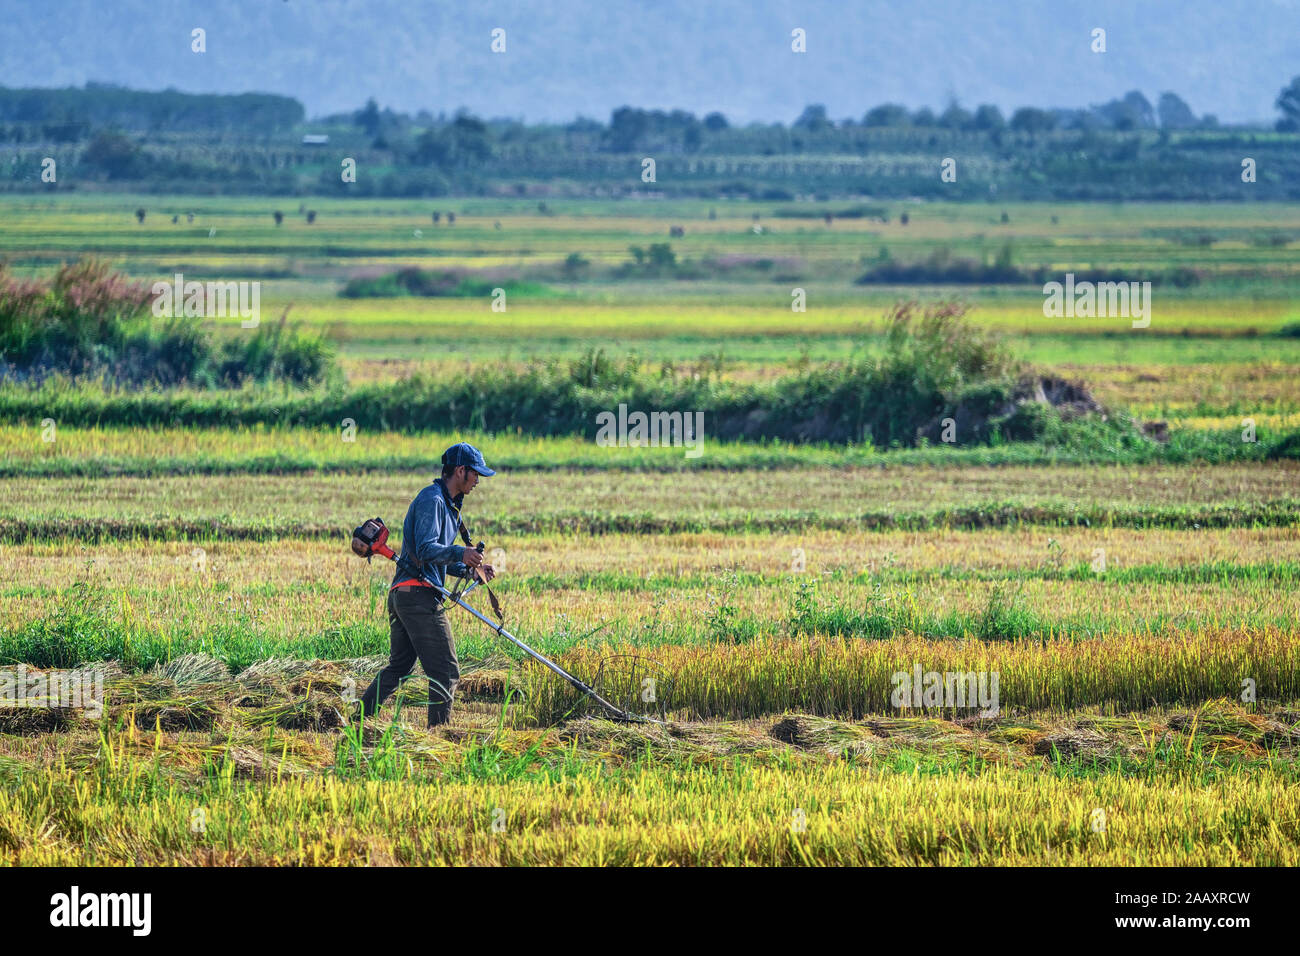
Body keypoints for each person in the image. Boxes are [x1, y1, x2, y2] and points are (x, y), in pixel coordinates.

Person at [359, 442, 496, 727]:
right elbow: (424, 549)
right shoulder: (431, 500)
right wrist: (462, 552)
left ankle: (358, 722)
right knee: (446, 671)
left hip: (407, 595)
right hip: (417, 598)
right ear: (460, 471)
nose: (478, 481)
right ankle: (438, 738)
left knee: (399, 667)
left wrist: (470, 571)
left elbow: (437, 558)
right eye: (476, 474)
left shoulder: (449, 507)